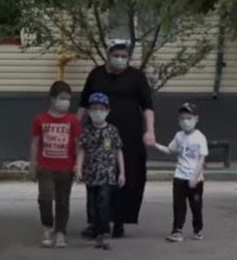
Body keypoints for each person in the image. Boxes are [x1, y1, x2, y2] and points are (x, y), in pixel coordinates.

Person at [77, 39, 155, 238]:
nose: (120, 59)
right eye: (116, 55)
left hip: (129, 135)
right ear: (108, 55)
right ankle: (96, 222)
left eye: (124, 56)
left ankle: (119, 220)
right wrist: (75, 127)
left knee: (125, 176)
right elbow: (84, 103)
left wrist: (150, 131)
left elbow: (147, 106)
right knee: (95, 175)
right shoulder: (96, 74)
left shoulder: (136, 77)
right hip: (96, 133)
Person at [29, 81, 82, 248]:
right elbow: (35, 143)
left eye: (68, 99)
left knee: (63, 200)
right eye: (62, 98)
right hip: (45, 167)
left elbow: (78, 144)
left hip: (66, 167)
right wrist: (32, 165)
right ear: (52, 99)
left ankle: (60, 231)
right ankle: (47, 227)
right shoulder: (40, 119)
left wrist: (78, 165)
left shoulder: (73, 120)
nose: (65, 102)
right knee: (45, 198)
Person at [76, 92, 126, 250]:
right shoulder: (87, 131)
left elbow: (118, 151)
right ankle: (94, 227)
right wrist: (78, 168)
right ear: (89, 111)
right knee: (92, 203)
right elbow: (82, 151)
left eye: (101, 108)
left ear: (107, 110)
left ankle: (103, 233)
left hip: (107, 174)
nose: (98, 112)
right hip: (91, 174)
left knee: (103, 203)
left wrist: (122, 172)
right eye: (94, 108)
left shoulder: (112, 131)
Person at [153, 102, 207, 243]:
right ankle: (177, 231)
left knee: (195, 206)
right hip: (180, 176)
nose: (185, 121)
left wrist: (195, 177)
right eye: (182, 118)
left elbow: (202, 159)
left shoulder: (200, 138)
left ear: (196, 119)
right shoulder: (179, 136)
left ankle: (198, 229)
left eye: (189, 118)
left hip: (195, 179)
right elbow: (170, 150)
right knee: (178, 206)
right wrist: (155, 145)